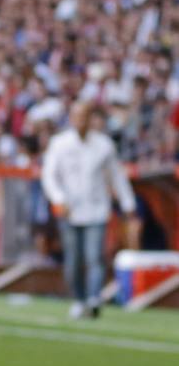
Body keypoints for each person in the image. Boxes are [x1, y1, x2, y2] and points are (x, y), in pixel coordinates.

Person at [41, 101, 138, 319]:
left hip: (96, 209)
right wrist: (59, 199)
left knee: (95, 256)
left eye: (85, 116)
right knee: (74, 260)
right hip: (69, 211)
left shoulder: (103, 145)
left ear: (90, 118)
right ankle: (79, 299)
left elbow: (117, 176)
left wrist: (128, 203)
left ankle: (94, 298)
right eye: (77, 116)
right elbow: (49, 175)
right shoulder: (60, 144)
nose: (81, 121)